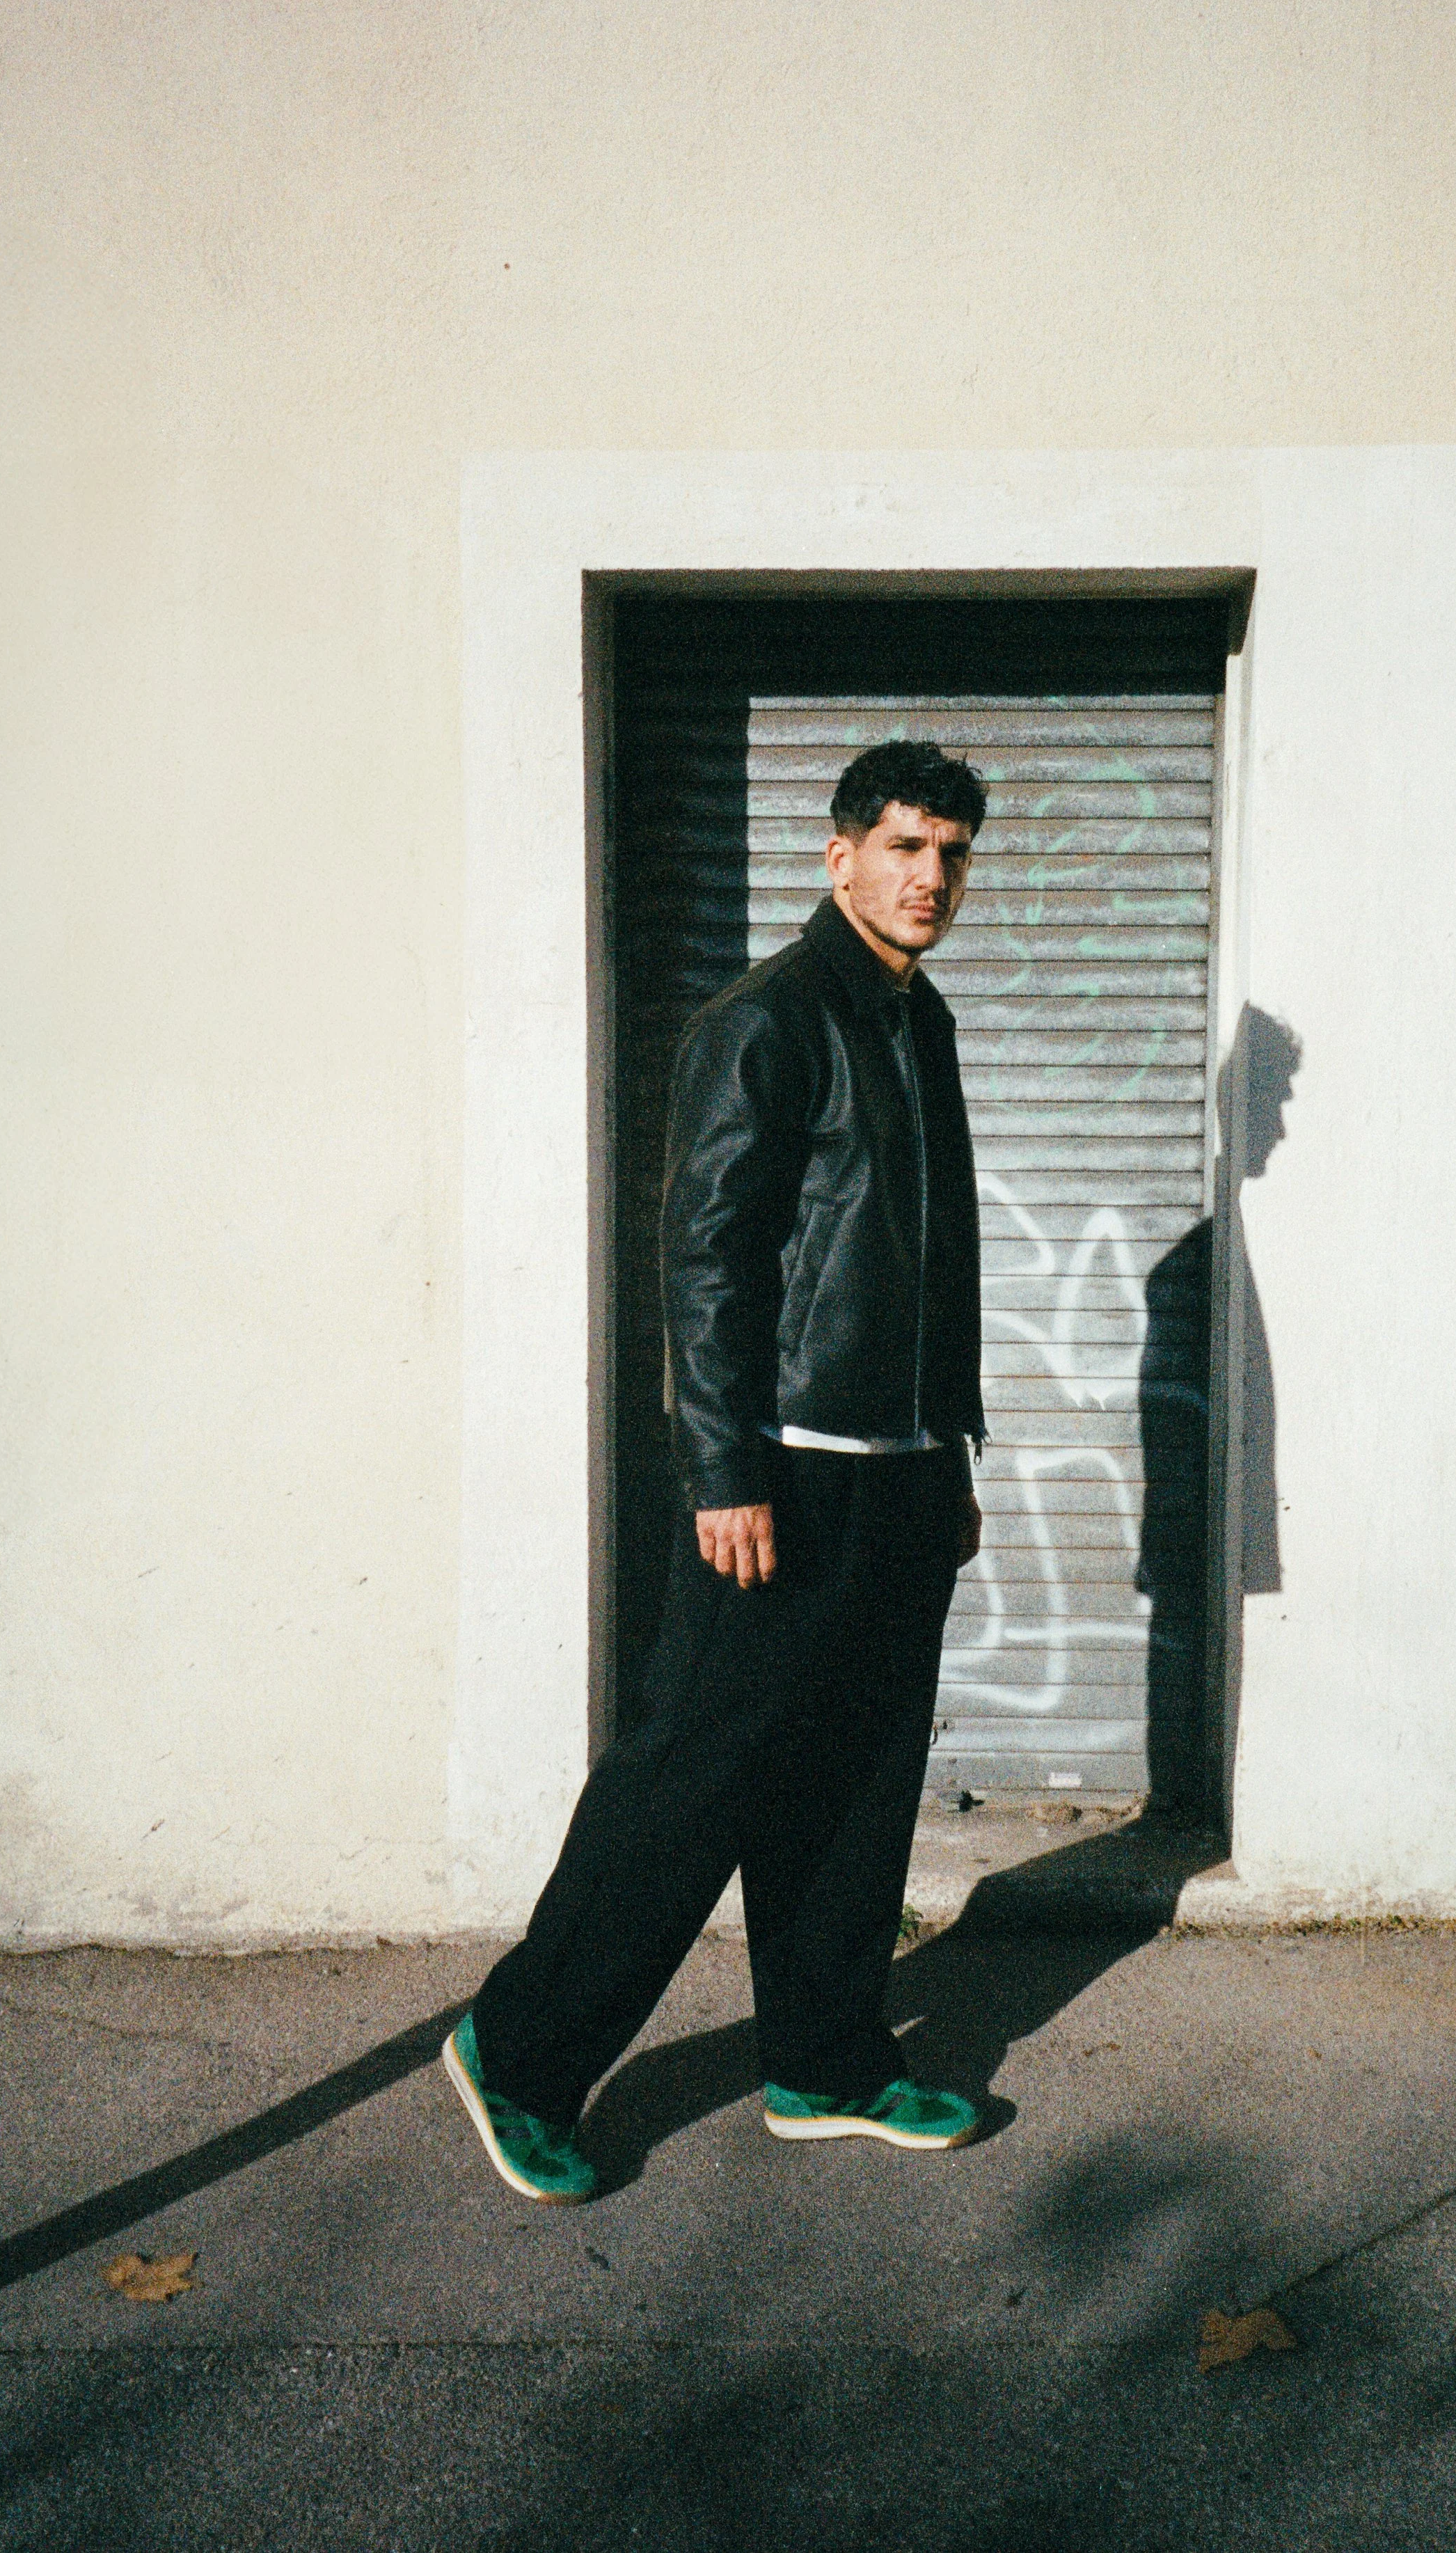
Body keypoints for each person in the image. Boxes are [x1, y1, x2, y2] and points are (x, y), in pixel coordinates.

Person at [443, 738, 991, 2202]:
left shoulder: (918, 1019)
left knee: (860, 1775)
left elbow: (933, 1257)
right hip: (782, 1473)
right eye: (904, 846)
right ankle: (518, 2050)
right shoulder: (765, 1022)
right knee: (690, 1777)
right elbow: (705, 1261)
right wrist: (721, 1469)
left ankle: (827, 2061)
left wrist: (949, 1447)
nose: (930, 877)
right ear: (839, 855)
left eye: (951, 853)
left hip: (898, 1468)